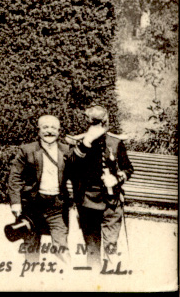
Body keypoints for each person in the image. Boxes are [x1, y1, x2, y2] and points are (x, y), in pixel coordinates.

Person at [69, 104, 134, 266]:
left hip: (112, 203)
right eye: (93, 122)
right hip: (88, 202)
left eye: (101, 122)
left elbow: (128, 168)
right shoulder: (78, 143)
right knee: (92, 247)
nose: (98, 126)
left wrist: (117, 178)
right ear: (86, 122)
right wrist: (86, 142)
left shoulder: (115, 142)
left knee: (111, 246)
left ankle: (112, 278)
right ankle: (95, 281)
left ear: (106, 121)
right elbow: (71, 168)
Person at [7, 114, 73, 258]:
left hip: (57, 207)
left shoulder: (67, 151)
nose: (49, 131)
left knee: (61, 246)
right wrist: (16, 203)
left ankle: (69, 277)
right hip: (32, 205)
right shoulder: (27, 150)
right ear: (38, 130)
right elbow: (15, 177)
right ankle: (32, 277)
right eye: (45, 127)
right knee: (31, 246)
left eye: (53, 128)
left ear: (59, 131)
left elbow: (77, 176)